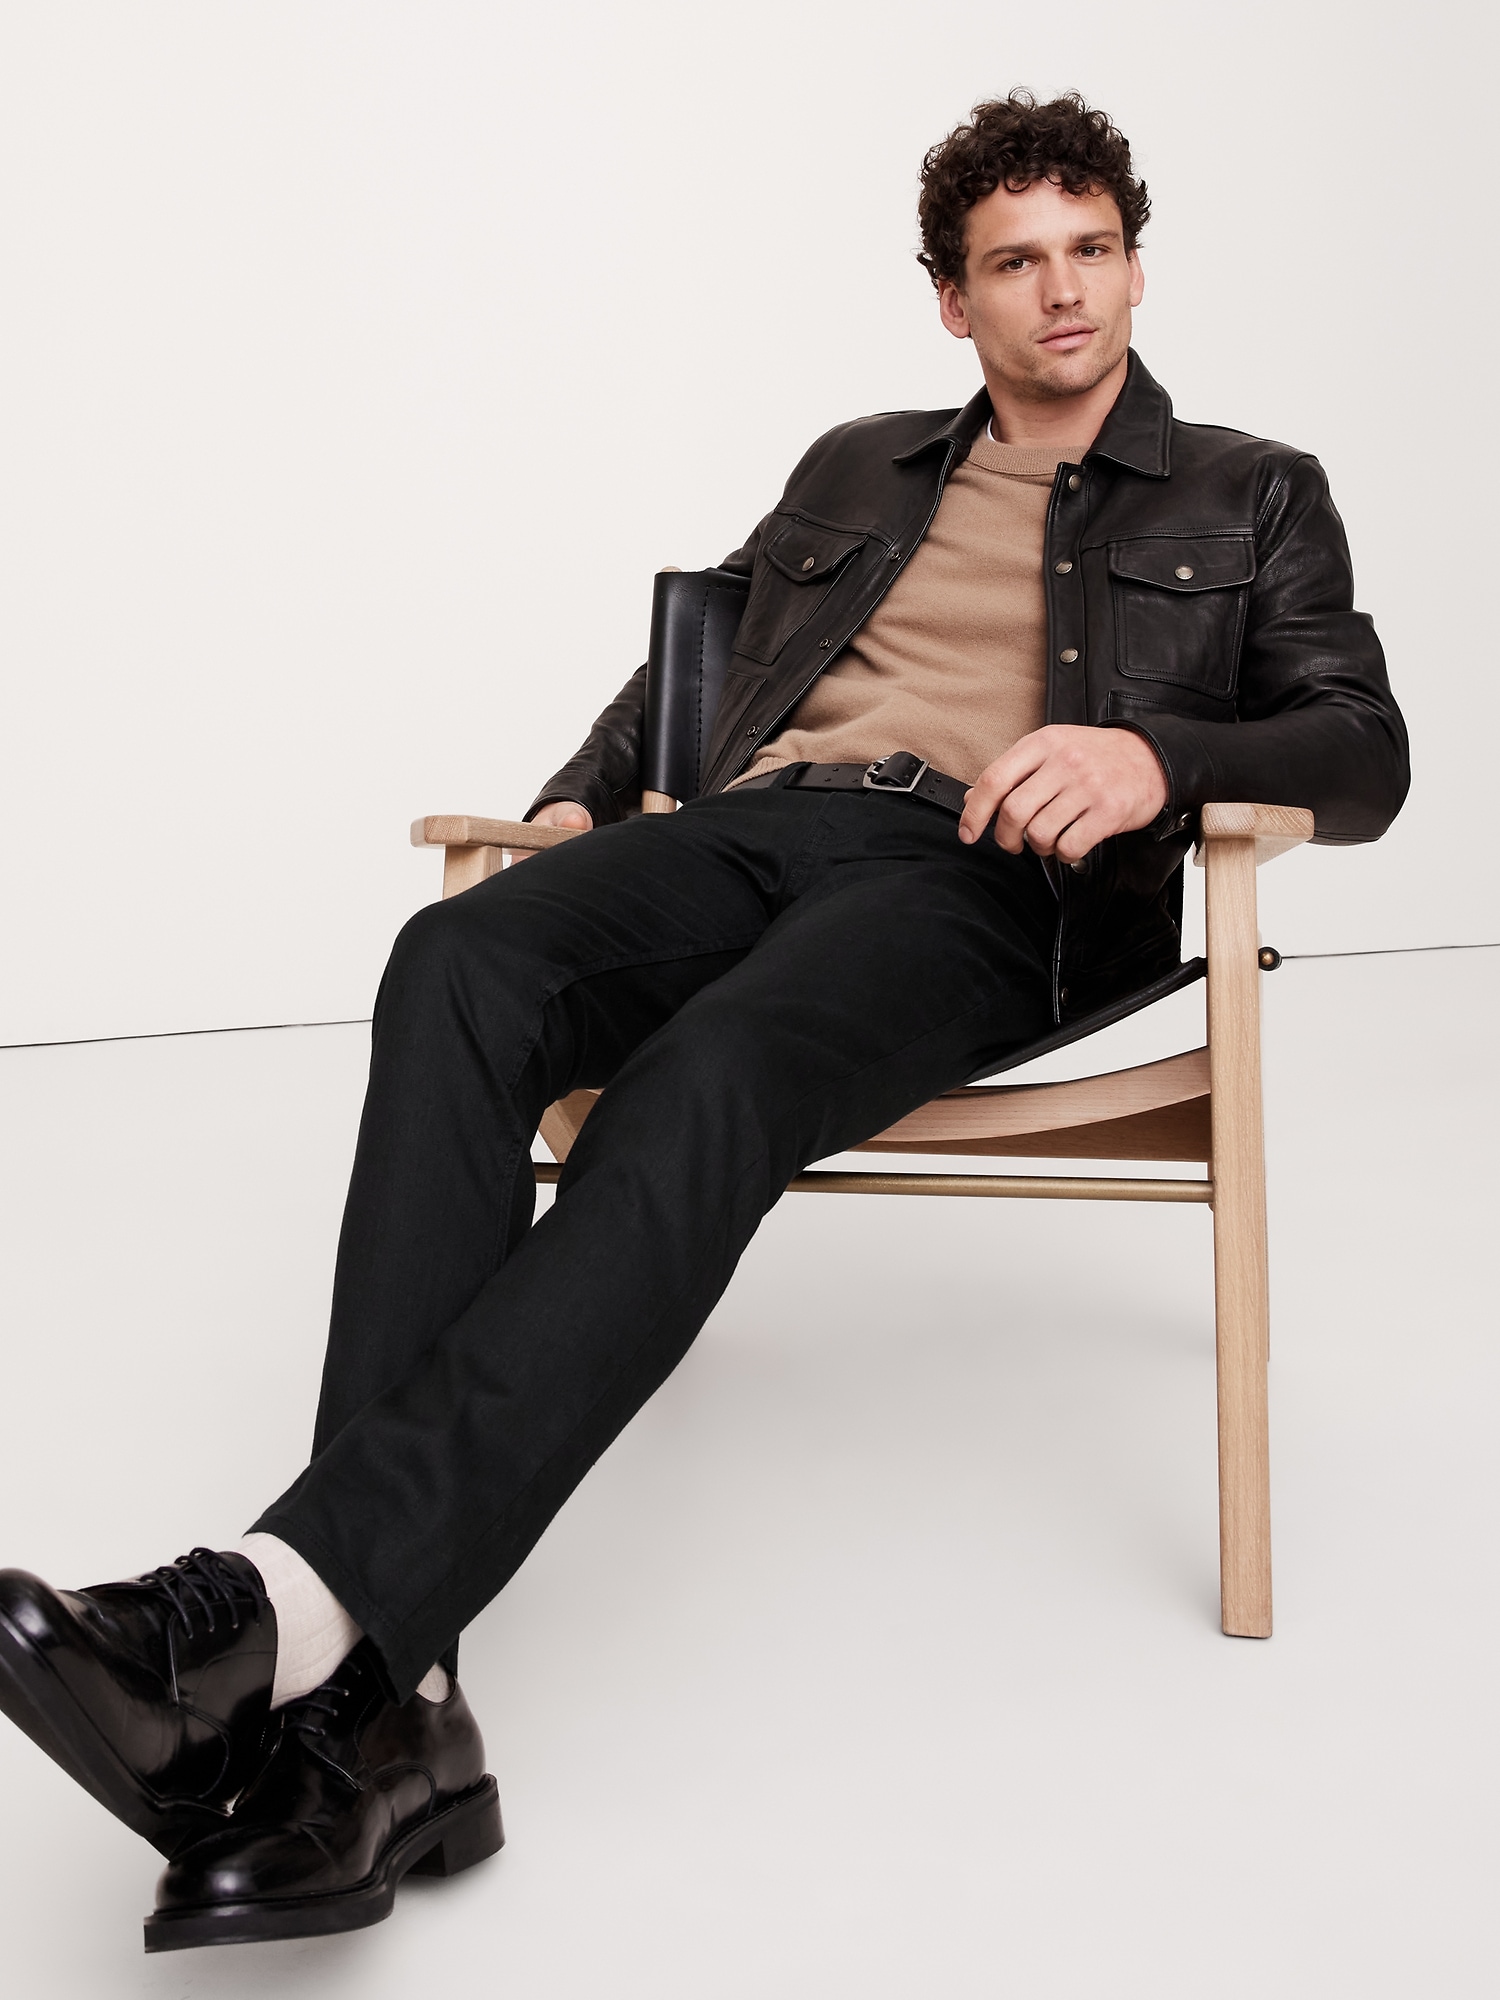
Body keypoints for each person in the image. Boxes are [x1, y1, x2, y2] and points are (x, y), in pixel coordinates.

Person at [0, 91, 1408, 1953]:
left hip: (984, 879)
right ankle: (394, 1717)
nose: (1064, 291)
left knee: (710, 1073)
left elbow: (1363, 748)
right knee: (460, 959)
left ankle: (268, 1634)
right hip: (752, 830)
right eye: (1017, 262)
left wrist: (1155, 756)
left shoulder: (1255, 488)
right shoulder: (857, 465)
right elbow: (714, 646)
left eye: (1094, 250)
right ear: (954, 301)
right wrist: (583, 794)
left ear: (1137, 266)